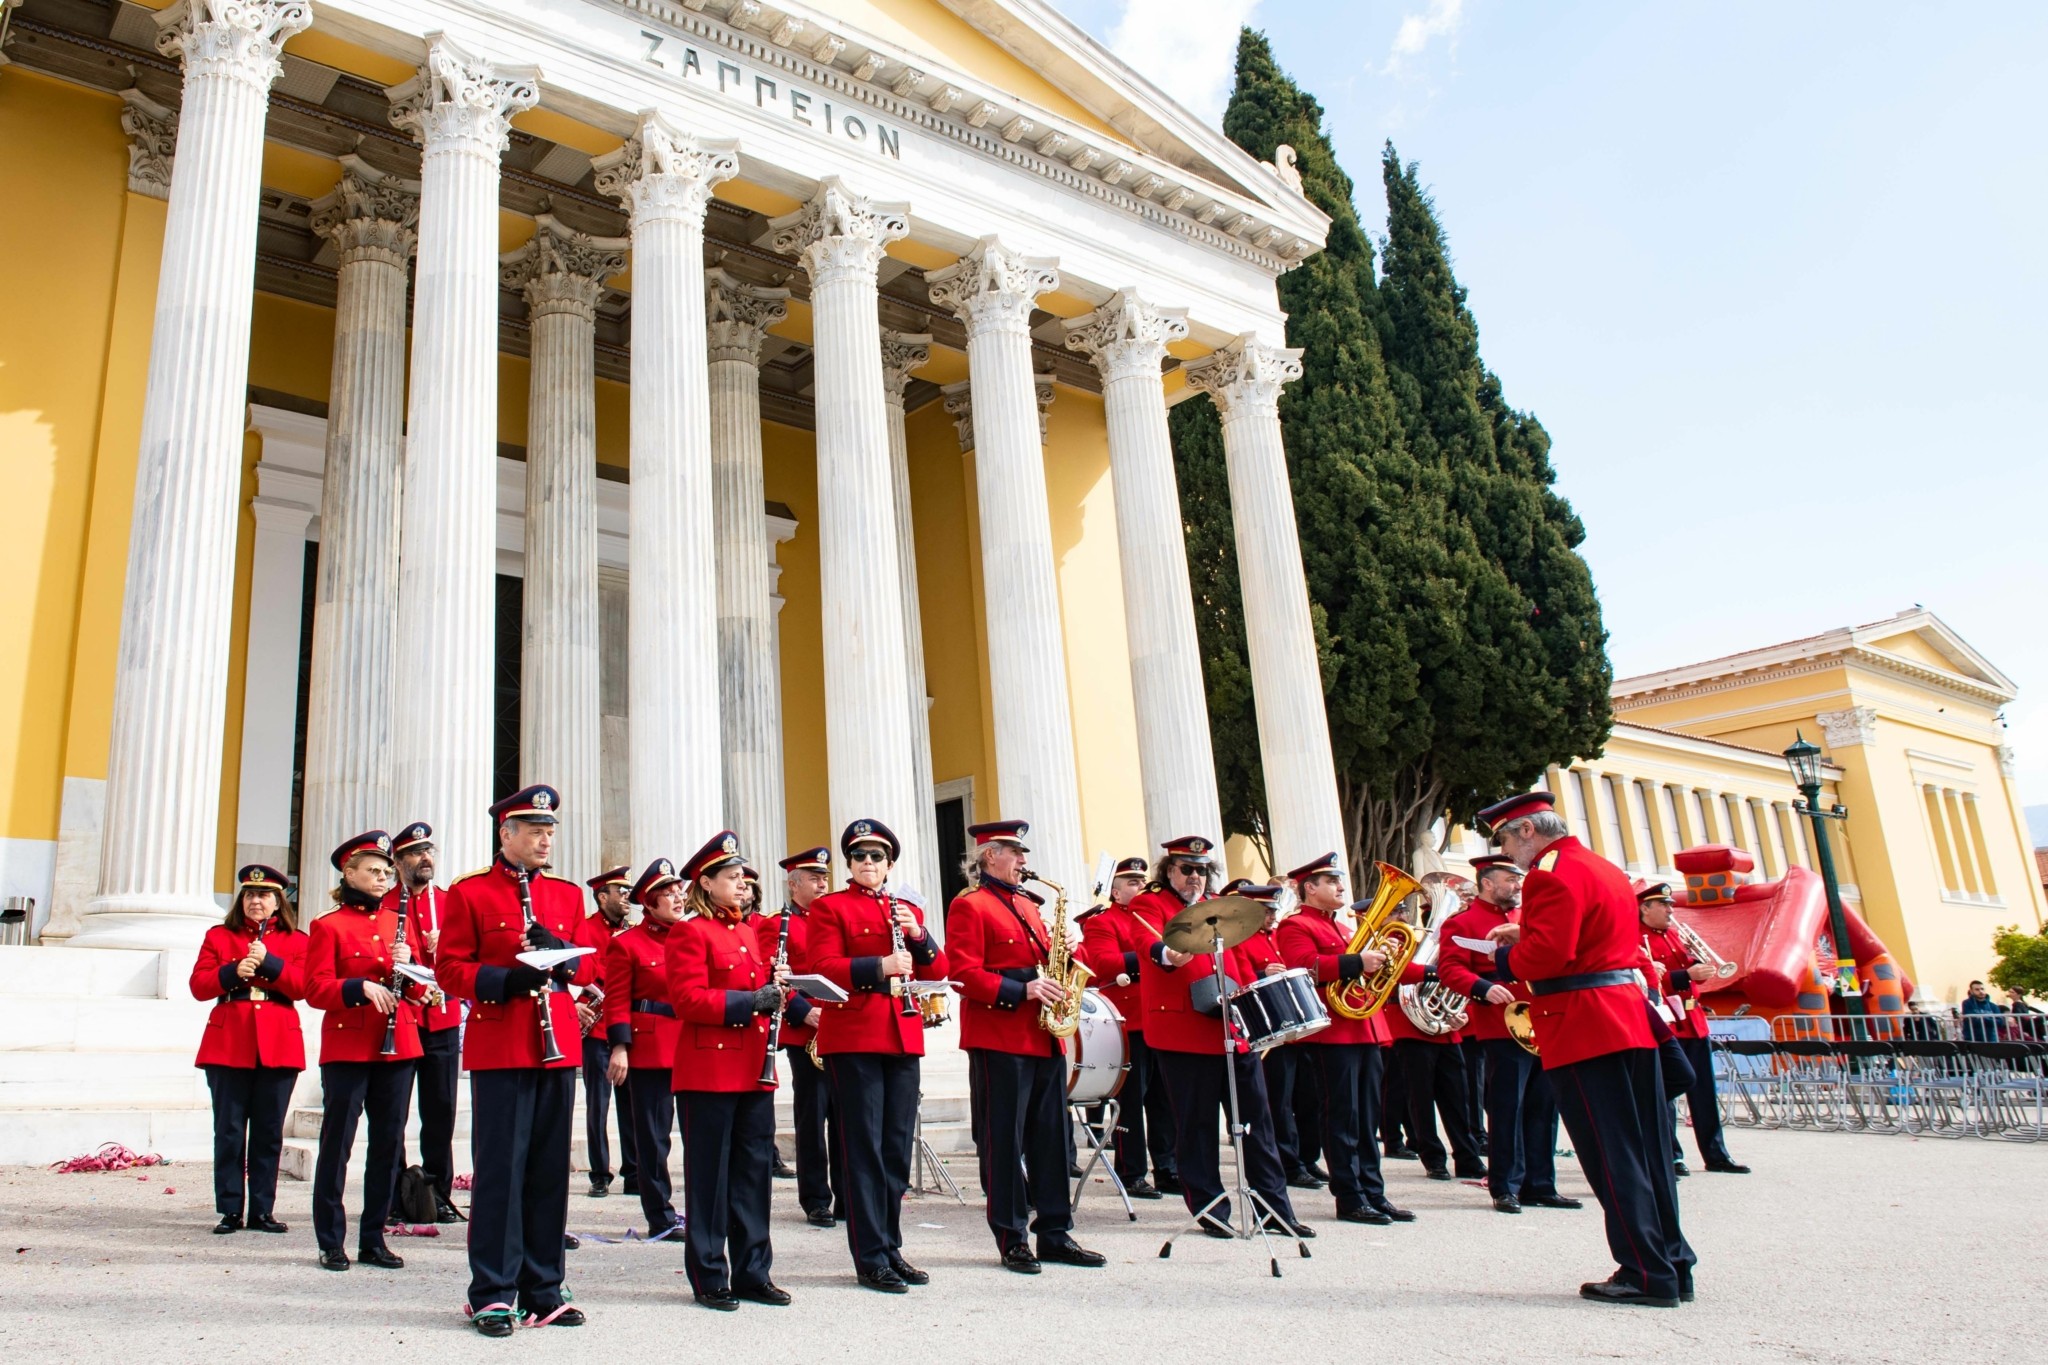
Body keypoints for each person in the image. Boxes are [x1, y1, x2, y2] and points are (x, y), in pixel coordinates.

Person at [1481, 790, 1695, 1308]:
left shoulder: (1551, 873)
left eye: (1508, 838)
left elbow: (1551, 955)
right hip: (1625, 1015)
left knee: (1610, 1153)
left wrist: (1507, 955)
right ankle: (1672, 1262)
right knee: (1646, 1150)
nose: (1510, 852)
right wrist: (1527, 927)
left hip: (1582, 1022)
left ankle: (1644, 1272)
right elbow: (1595, 937)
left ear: (1528, 830)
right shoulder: (1599, 865)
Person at [437, 784, 594, 1336]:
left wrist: (563, 961)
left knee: (550, 1172)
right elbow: (449, 969)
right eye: (534, 830)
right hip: (502, 1044)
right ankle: (493, 1293)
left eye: (550, 830)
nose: (545, 839)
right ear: (506, 833)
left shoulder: (569, 896)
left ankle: (544, 1287)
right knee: (501, 1172)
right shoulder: (471, 893)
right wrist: (508, 979)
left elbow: (588, 971)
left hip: (557, 1049)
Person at [947, 819, 1107, 1273]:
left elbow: (1057, 967)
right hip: (1000, 1038)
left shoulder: (1029, 906)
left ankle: (1055, 1232)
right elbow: (963, 974)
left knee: (1052, 1140)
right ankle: (1012, 1236)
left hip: (1044, 1038)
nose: (1024, 861)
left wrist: (1072, 949)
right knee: (1003, 1142)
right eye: (1015, 852)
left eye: (1024, 854)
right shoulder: (971, 906)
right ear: (988, 856)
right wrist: (1023, 988)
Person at [1137, 835, 1308, 1241]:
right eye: (1186, 869)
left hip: (1231, 1028)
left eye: (1201, 870)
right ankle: (1211, 1208)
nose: (1195, 877)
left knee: (1256, 1124)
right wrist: (1166, 955)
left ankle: (1274, 1208)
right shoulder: (1152, 903)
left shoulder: (1223, 909)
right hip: (1183, 1030)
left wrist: (1255, 999)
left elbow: (1241, 960)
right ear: (1169, 871)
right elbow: (1145, 942)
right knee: (1195, 1127)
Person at [805, 820, 949, 1291]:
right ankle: (870, 1258)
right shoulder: (831, 907)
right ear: (849, 863)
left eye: (877, 857)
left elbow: (939, 967)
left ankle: (891, 1246)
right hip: (856, 1036)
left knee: (894, 1149)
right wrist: (878, 967)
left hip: (902, 1036)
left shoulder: (904, 907)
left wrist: (921, 934)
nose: (869, 864)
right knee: (864, 1149)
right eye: (860, 857)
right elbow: (822, 967)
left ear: (890, 865)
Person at [668, 830, 788, 1310]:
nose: (743, 884)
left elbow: (761, 996)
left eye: (744, 877)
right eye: (733, 877)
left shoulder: (745, 932)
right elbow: (687, 999)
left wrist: (779, 991)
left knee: (753, 1176)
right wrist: (751, 1000)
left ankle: (753, 1272)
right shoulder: (689, 931)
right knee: (710, 1180)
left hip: (753, 1069)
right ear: (707, 882)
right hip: (709, 1070)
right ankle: (709, 1275)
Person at [304, 831, 423, 1272]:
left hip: (398, 1045)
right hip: (349, 1045)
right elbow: (314, 988)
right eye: (372, 870)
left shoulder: (399, 920)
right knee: (338, 1145)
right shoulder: (328, 924)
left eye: (385, 870)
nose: (381, 876)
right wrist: (359, 987)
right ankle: (330, 1240)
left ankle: (373, 1238)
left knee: (388, 1145)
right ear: (348, 873)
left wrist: (408, 967)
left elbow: (414, 987)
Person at [1437, 853, 1579, 1216]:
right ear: (1487, 882)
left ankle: (1541, 1184)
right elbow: (1450, 968)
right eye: (1510, 880)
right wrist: (1482, 987)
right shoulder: (1463, 922)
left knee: (1544, 1106)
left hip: (1544, 1019)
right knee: (1506, 1107)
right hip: (1501, 1023)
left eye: (1518, 880)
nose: (1517, 886)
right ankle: (1506, 1186)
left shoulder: (1526, 919)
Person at [1276, 852, 1411, 1226]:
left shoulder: (1345, 928)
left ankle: (1374, 1192)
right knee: (1343, 1117)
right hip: (1332, 1034)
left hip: (1365, 1029)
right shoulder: (1296, 925)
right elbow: (1302, 966)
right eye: (1331, 881)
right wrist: (1357, 963)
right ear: (1310, 888)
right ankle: (1350, 1197)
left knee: (1368, 1119)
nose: (1340, 887)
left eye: (1339, 880)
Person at [189, 864, 308, 1236]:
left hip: (278, 1040)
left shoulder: (296, 940)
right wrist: (233, 971)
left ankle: (261, 1210)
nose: (256, 901)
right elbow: (198, 985)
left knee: (269, 1131)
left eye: (265, 895)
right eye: (250, 895)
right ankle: (228, 1210)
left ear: (278, 903)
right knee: (228, 1130)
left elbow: (305, 986)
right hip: (229, 1041)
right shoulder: (218, 936)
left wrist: (270, 964)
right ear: (242, 899)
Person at [601, 858, 686, 1242]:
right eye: (667, 893)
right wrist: (620, 1047)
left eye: (678, 890)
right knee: (652, 1137)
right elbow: (616, 1000)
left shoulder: (691, 937)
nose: (677, 897)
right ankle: (660, 1214)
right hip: (650, 1047)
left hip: (691, 1044)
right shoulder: (627, 944)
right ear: (649, 904)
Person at [1638, 882, 1749, 1175]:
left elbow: (1690, 973)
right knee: (1670, 1090)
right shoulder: (1639, 939)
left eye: (1670, 905)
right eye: (1664, 905)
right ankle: (1672, 1154)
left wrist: (1697, 968)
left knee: (1704, 1091)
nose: (1670, 910)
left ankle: (1716, 1154)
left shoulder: (1674, 935)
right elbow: (1646, 982)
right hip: (1668, 1022)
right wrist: (1685, 975)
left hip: (1693, 1021)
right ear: (1645, 908)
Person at [385, 822, 465, 1223]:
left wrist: (444, 945)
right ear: (399, 862)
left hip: (442, 1016)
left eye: (429, 850)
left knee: (440, 1110)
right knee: (393, 1112)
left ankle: (439, 1195)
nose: (425, 858)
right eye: (415, 853)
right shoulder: (384, 905)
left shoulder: (450, 902)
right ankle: (396, 1195)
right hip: (402, 1018)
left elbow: (468, 955)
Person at [1075, 855, 1166, 1198]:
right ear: (1114, 891)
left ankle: (1168, 1167)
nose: (1141, 886)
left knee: (1165, 1100)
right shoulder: (1106, 922)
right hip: (1132, 1021)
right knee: (1132, 1099)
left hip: (1161, 1017)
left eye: (1142, 881)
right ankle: (1132, 1171)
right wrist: (1153, 953)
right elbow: (1104, 964)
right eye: (1132, 882)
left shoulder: (1154, 916)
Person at [765, 846, 839, 1226]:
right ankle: (815, 1198)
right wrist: (801, 1010)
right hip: (806, 1029)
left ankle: (846, 1194)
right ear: (794, 884)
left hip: (841, 1026)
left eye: (824, 876)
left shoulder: (834, 917)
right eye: (813, 877)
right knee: (812, 1117)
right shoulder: (776, 923)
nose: (822, 882)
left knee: (845, 1116)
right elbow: (770, 975)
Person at [1385, 912, 1486, 1184]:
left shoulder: (1442, 947)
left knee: (1457, 1098)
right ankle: (1433, 1159)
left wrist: (1461, 1012)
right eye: (1397, 913)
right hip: (1410, 1028)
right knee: (1421, 1099)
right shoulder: (1389, 941)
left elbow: (1461, 980)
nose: (1403, 916)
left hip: (1444, 1029)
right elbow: (1396, 972)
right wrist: (1439, 974)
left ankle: (1468, 1157)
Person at [578, 866, 636, 1199]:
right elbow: (577, 971)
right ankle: (600, 1173)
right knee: (597, 1105)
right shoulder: (585, 928)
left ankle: (633, 1171)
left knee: (630, 1104)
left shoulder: (631, 930)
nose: (627, 897)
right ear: (602, 897)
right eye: (620, 892)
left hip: (624, 1029)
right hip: (596, 1029)